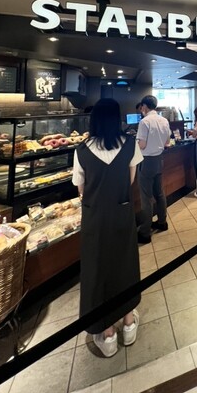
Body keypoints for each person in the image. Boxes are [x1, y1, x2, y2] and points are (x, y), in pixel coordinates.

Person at [72, 98, 142, 358]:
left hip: (95, 218)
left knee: (98, 269)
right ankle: (129, 323)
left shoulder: (81, 150)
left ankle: (108, 333)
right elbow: (130, 179)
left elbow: (81, 188)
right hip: (122, 213)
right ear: (117, 119)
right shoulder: (130, 144)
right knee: (125, 264)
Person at [136, 95, 171, 243]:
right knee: (159, 193)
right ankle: (162, 222)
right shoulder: (164, 120)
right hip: (159, 160)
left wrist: (135, 144)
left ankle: (145, 232)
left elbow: (142, 145)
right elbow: (167, 142)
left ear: (144, 106)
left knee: (146, 198)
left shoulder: (144, 122)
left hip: (147, 161)